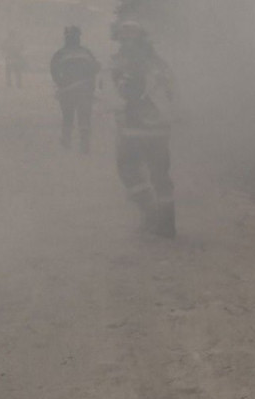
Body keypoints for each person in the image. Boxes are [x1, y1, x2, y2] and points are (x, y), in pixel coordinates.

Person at [111, 20, 176, 238]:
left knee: (127, 168)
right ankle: (167, 224)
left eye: (123, 40)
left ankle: (150, 213)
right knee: (160, 175)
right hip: (162, 128)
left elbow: (128, 93)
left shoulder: (132, 64)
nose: (121, 45)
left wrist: (118, 87)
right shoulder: (160, 63)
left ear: (129, 42)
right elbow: (172, 91)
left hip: (137, 128)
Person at [50, 25, 101, 154]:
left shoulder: (62, 53)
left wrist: (60, 83)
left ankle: (75, 141)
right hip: (76, 90)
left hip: (75, 90)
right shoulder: (84, 52)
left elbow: (54, 70)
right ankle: (75, 141)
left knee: (74, 115)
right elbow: (94, 69)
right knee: (77, 115)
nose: (71, 38)